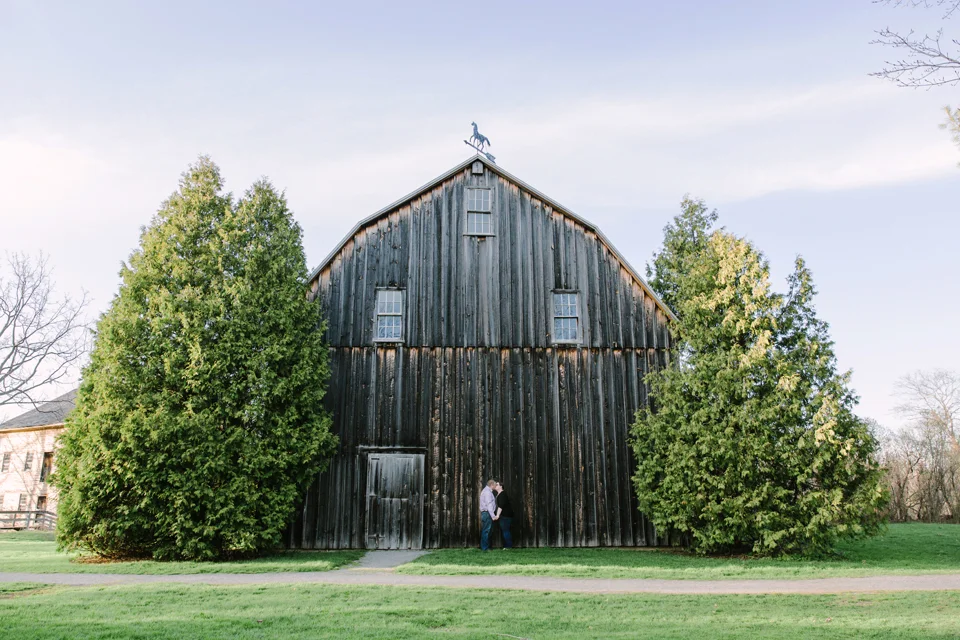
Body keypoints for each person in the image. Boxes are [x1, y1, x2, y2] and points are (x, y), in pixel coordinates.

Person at [494, 482, 515, 549]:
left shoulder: (502, 494)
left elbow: (501, 506)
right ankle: (507, 546)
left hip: (505, 516)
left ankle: (508, 546)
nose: (495, 485)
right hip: (504, 515)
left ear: (501, 486)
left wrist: (497, 515)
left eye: (497, 485)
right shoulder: (499, 494)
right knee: (505, 530)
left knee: (506, 530)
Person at [479, 479, 498, 551]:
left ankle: (487, 546)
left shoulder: (487, 491)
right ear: (492, 485)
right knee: (486, 530)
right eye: (495, 485)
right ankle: (485, 548)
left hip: (487, 513)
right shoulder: (487, 492)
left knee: (488, 530)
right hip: (487, 513)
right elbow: (489, 504)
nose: (495, 486)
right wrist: (493, 516)